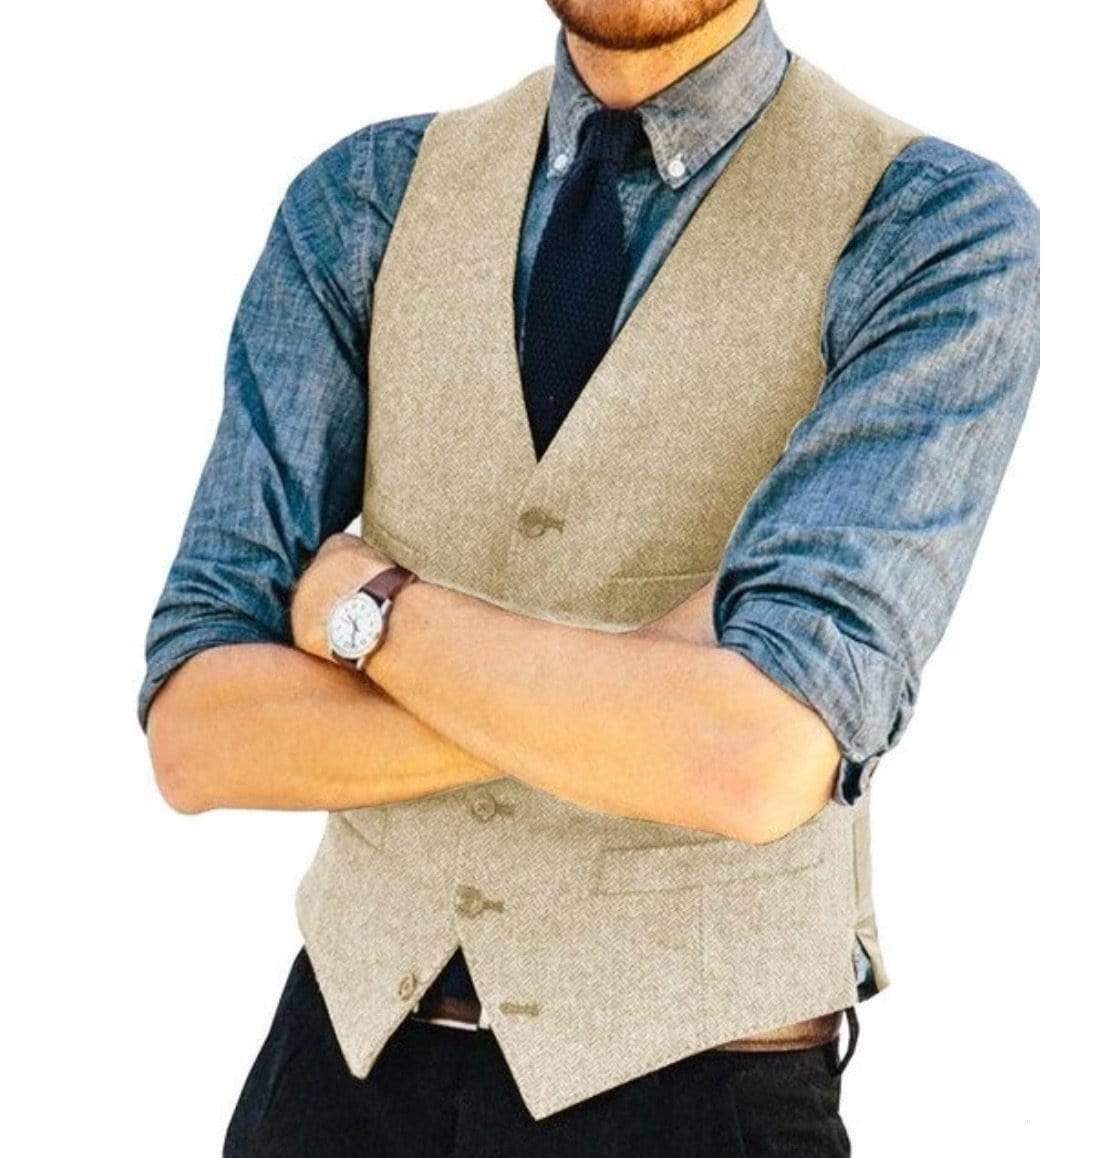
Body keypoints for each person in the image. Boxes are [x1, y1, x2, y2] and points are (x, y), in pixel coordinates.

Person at [138, 0, 1040, 1153]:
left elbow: (756, 761)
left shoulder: (929, 228)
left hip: (698, 1094)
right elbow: (200, 738)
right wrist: (646, 699)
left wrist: (365, 613)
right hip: (337, 1073)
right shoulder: (362, 199)